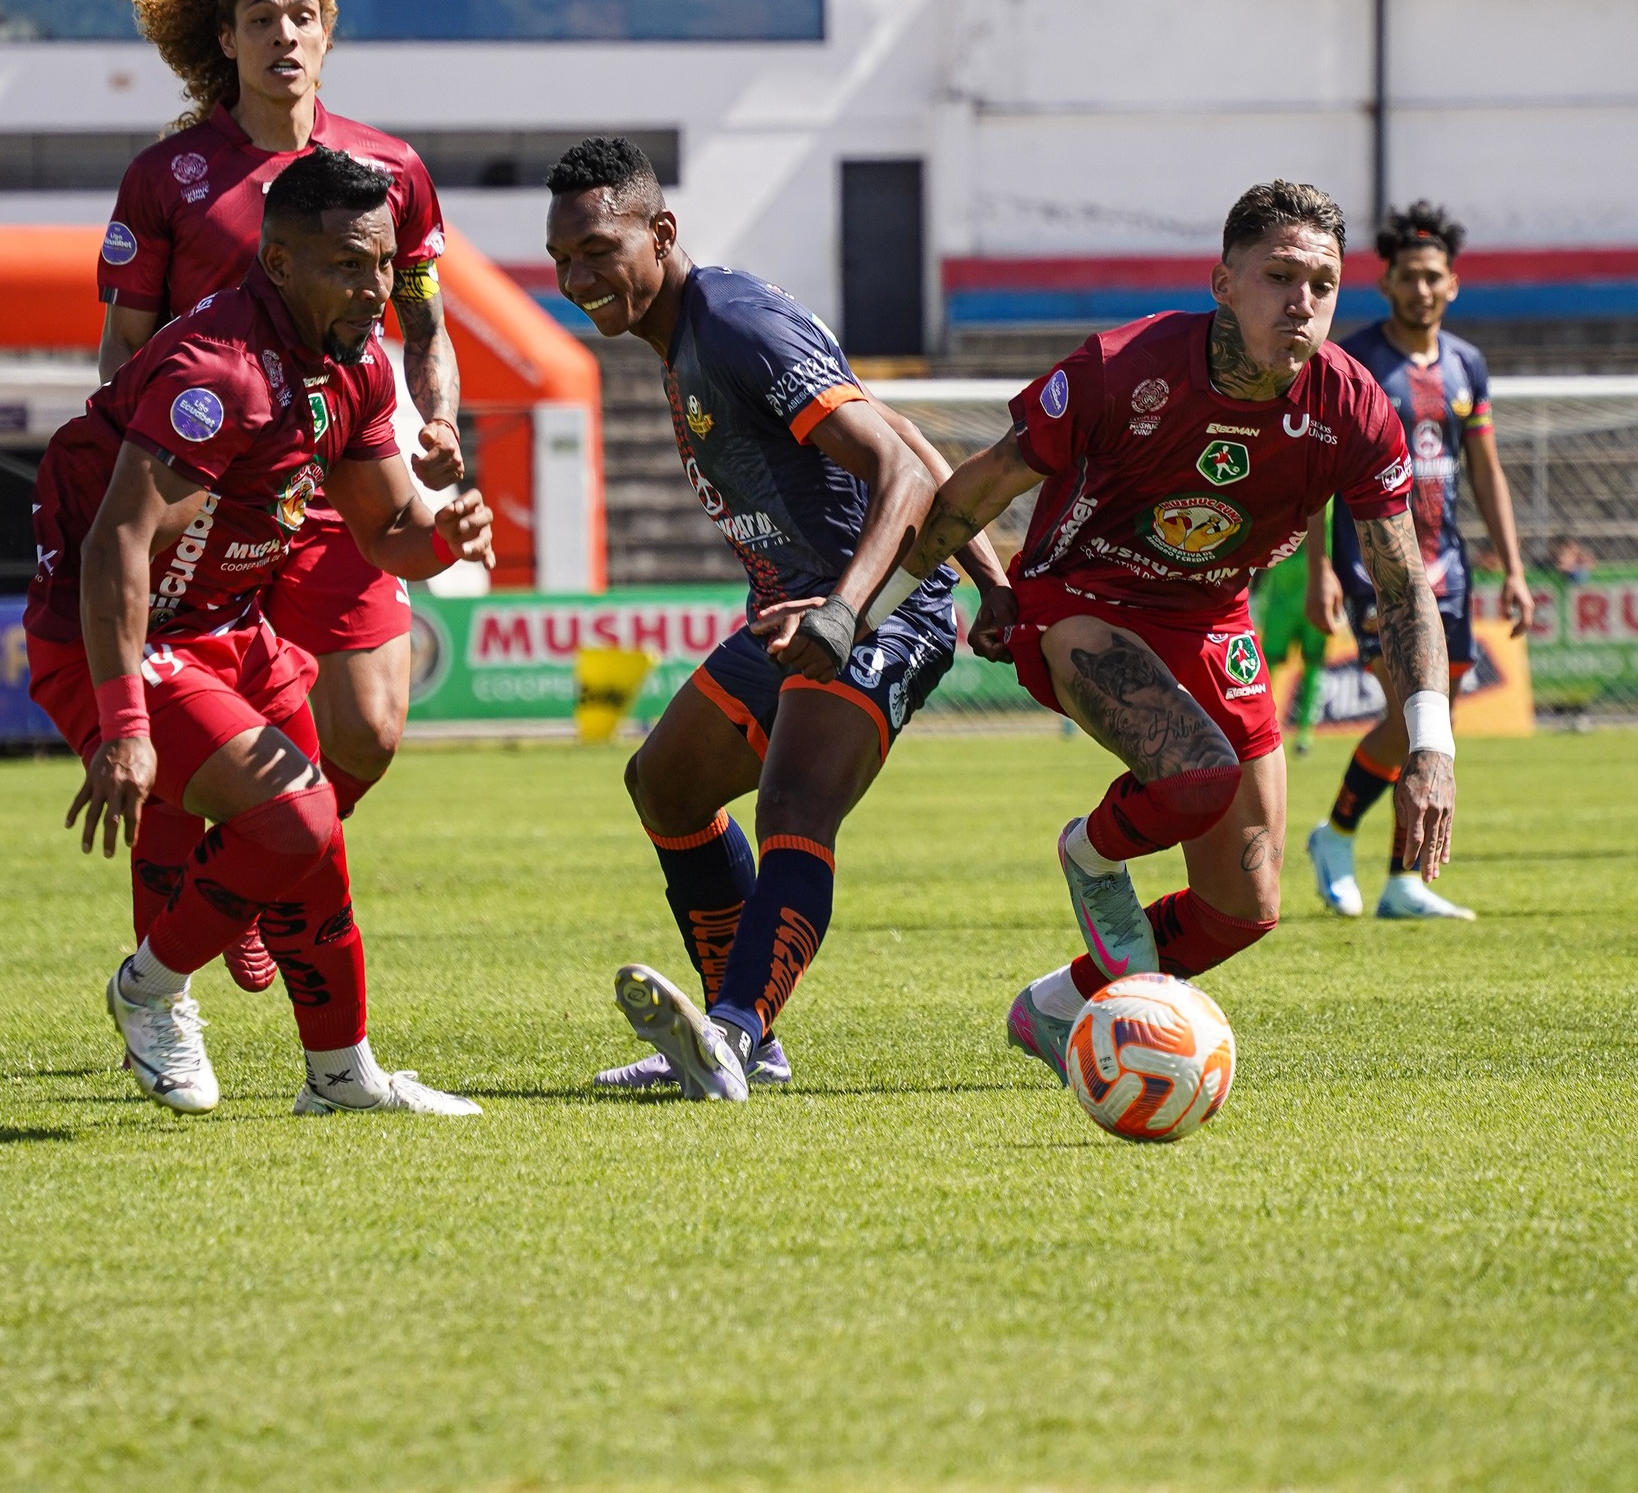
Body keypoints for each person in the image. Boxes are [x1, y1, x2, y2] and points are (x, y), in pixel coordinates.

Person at [861, 179, 1456, 1086]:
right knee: (1197, 773)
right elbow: (981, 486)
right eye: (1279, 276)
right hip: (1082, 604)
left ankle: (1058, 1005)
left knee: (1243, 911)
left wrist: (1432, 746)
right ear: (1224, 282)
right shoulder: (1122, 366)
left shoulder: (1353, 408)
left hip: (1215, 621)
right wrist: (873, 605)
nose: (1302, 301)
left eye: (1323, 284)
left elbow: (1406, 583)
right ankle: (1091, 853)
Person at [26, 146, 493, 1117]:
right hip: (119, 633)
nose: (378, 287)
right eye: (349, 264)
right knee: (295, 819)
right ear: (279, 264)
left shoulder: (355, 361)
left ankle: (341, 1075)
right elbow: (118, 539)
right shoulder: (221, 372)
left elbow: (386, 531)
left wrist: (444, 536)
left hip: (231, 629)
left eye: (382, 262)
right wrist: (123, 724)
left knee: (314, 848)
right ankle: (147, 990)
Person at [542, 136, 1012, 1101]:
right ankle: (736, 1039)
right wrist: (996, 585)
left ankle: (736, 1028)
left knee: (795, 804)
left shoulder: (731, 322)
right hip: (794, 614)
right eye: (562, 261)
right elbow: (905, 432)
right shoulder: (686, 337)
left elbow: (902, 468)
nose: (578, 278)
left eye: (597, 249)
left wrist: (857, 611)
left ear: (661, 233)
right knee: (665, 785)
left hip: (878, 610)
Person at [98, 0, 462, 993]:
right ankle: (169, 985)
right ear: (229, 40)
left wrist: (435, 415)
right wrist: (139, 474)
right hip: (211, 499)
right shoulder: (170, 176)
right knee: (186, 736)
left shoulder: (386, 169)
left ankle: (251, 873)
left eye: (301, 16)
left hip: (342, 478)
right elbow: (127, 347)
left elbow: (426, 325)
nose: (284, 35)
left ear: (328, 31)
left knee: (373, 729)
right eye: (261, 18)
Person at [1305, 201, 1532, 921]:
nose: (1422, 290)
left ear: (1453, 284)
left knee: (1436, 721)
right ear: (1387, 282)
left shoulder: (1468, 364)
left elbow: (1487, 471)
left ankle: (1404, 881)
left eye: (1434, 277)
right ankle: (1335, 833)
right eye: (1409, 277)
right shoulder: (1358, 362)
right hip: (1377, 567)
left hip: (1452, 573)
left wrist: (1516, 568)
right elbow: (1317, 470)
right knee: (1410, 717)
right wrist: (1319, 572)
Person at [1252, 500, 1332, 754]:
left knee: (1312, 668)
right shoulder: (1277, 490)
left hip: (1312, 593)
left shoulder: (1326, 498)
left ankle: (1305, 734)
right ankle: (1259, 728)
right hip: (1280, 599)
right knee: (1265, 669)